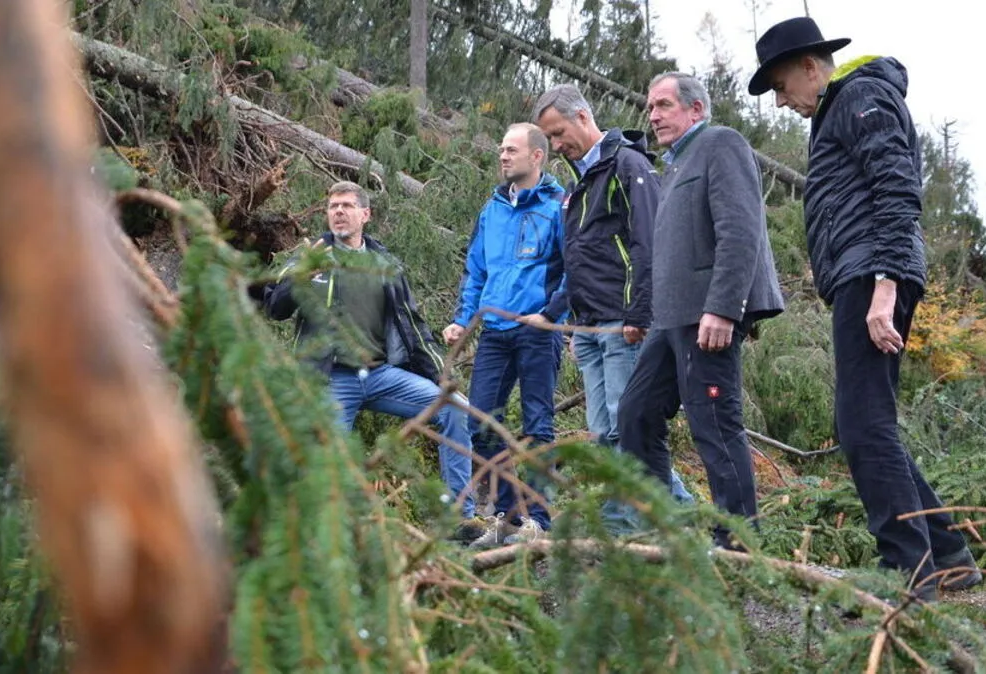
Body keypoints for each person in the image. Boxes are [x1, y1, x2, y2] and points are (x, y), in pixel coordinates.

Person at [747, 16, 982, 599]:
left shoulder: (861, 95)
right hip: (862, 274)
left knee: (863, 425)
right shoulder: (843, 105)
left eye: (779, 86)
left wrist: (885, 285)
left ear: (809, 66)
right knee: (869, 421)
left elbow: (897, 186)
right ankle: (945, 554)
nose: (780, 101)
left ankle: (907, 571)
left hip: (873, 274)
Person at [616, 72, 784, 549]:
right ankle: (664, 530)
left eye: (664, 105)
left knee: (713, 422)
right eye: (650, 107)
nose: (653, 115)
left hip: (707, 316)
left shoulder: (721, 143)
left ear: (696, 109)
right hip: (669, 320)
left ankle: (737, 541)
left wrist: (725, 308)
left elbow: (741, 231)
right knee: (636, 414)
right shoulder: (675, 165)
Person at [262, 181, 476, 527]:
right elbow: (274, 307)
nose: (339, 212)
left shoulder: (385, 264)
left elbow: (414, 328)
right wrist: (301, 277)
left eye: (347, 206)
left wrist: (443, 378)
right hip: (330, 380)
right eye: (333, 207)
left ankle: (459, 520)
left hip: (381, 376)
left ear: (365, 214)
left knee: (455, 408)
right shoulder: (311, 255)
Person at [533, 83, 694, 534]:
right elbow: (577, 259)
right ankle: (629, 516)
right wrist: (560, 315)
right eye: (549, 138)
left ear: (583, 118)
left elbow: (649, 243)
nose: (556, 145)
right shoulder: (576, 185)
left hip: (623, 324)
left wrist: (639, 315)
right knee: (605, 431)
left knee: (630, 428)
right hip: (588, 328)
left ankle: (667, 519)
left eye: (559, 132)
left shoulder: (628, 164)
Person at [443, 123, 568, 548]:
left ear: (537, 156)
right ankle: (511, 517)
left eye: (511, 149)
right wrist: (464, 318)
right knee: (481, 424)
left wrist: (551, 314)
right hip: (494, 332)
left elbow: (574, 270)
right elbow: (477, 270)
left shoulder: (559, 206)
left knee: (536, 426)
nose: (502, 156)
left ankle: (540, 523)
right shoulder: (492, 208)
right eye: (500, 149)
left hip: (538, 330)